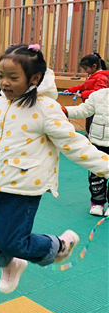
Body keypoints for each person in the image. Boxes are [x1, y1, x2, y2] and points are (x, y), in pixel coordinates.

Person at [0, 44, 109, 294]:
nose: (4, 83)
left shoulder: (45, 109)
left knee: (13, 241)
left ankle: (58, 246)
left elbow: (75, 145)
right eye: (1, 76)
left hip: (23, 188)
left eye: (13, 77)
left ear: (34, 78)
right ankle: (10, 264)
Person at [63, 86, 109, 217]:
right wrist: (65, 111)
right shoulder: (98, 95)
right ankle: (97, 203)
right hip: (99, 142)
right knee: (96, 175)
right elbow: (84, 110)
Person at [66, 53, 109, 133]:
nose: (85, 71)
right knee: (88, 125)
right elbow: (83, 86)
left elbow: (99, 92)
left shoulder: (101, 77)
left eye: (86, 68)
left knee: (93, 127)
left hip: (97, 108)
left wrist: (82, 95)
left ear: (94, 66)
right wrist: (71, 90)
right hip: (90, 105)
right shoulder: (91, 75)